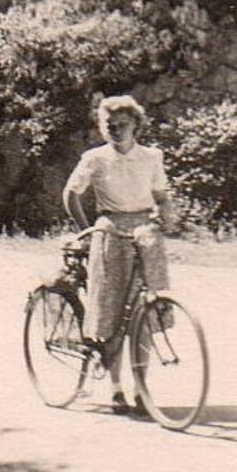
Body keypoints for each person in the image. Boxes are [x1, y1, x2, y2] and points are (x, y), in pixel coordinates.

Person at [62, 94, 173, 415]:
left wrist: (167, 213)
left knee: (146, 312)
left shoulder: (152, 157)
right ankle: (116, 388)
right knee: (112, 313)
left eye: (123, 125)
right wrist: (89, 229)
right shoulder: (95, 158)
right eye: (110, 126)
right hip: (110, 232)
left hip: (146, 234)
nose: (116, 130)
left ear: (136, 125)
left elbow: (161, 196)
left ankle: (142, 389)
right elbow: (71, 194)